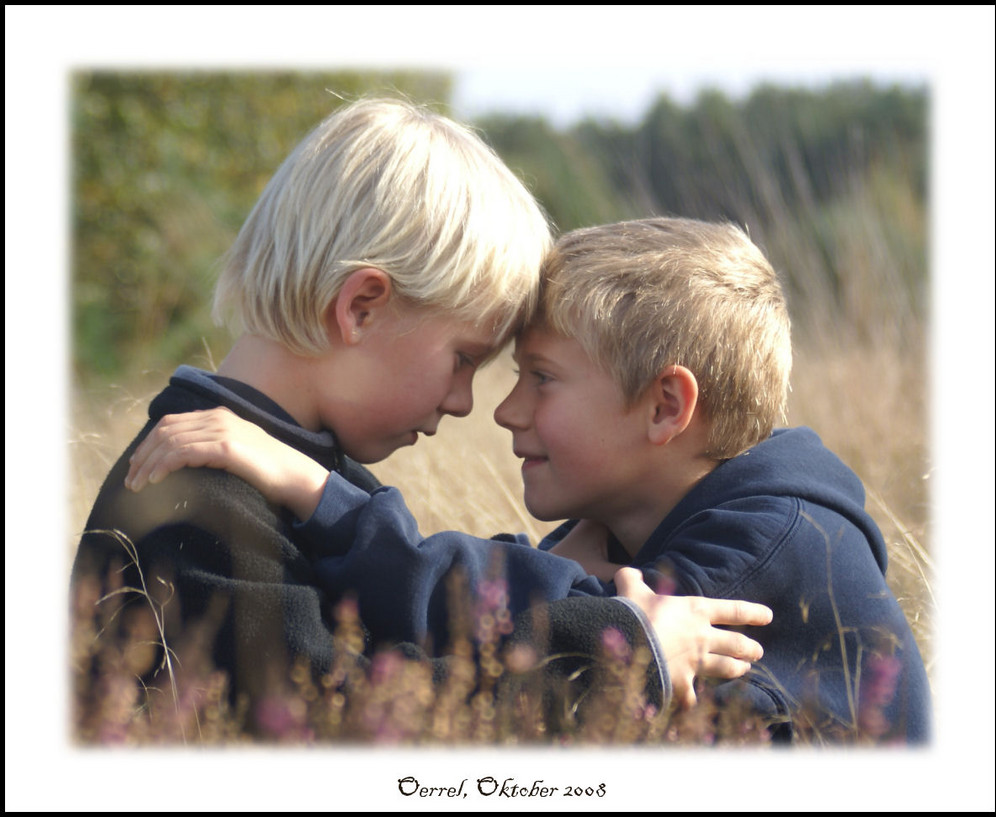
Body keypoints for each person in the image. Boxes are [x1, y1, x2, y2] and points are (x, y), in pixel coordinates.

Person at [73, 101, 769, 717]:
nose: (465, 401)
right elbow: (349, 714)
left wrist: (573, 577)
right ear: (362, 306)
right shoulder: (198, 499)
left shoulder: (294, 472)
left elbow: (412, 609)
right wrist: (619, 652)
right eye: (464, 358)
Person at [128, 217, 932, 743]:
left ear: (665, 405)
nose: (505, 410)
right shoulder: (644, 529)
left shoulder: (756, 560)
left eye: (541, 377)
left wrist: (315, 490)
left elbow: (495, 642)